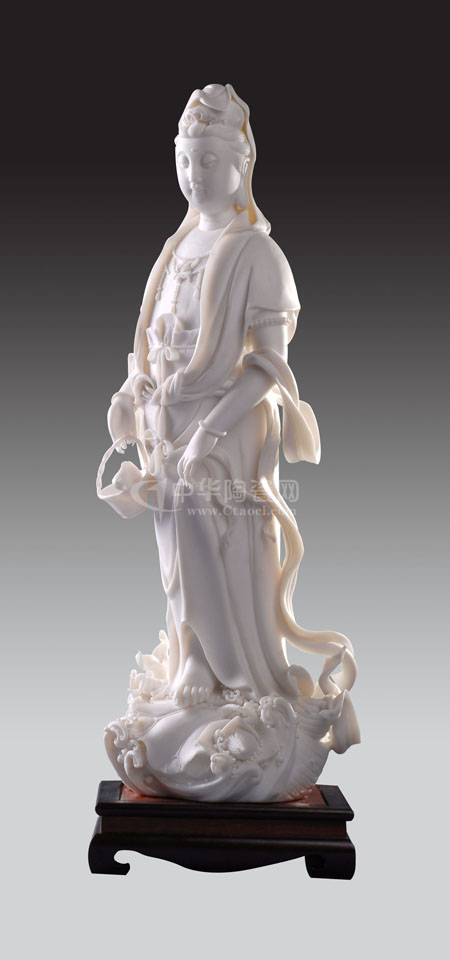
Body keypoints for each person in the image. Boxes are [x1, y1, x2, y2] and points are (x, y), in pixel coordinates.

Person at [100, 84, 359, 799]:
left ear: (242, 162)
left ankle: (237, 676)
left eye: (209, 159)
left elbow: (269, 367)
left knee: (222, 543)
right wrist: (128, 398)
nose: (195, 174)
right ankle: (192, 663)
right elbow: (150, 349)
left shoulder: (257, 254)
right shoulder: (175, 248)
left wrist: (210, 428)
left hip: (228, 430)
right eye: (185, 159)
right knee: (175, 551)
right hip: (166, 429)